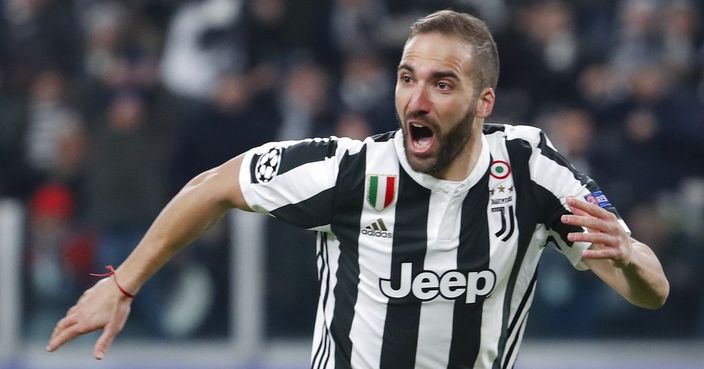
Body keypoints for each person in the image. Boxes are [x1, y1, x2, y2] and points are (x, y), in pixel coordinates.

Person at [47, 10, 669, 369]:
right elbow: (213, 186)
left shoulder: (531, 166)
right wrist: (123, 283)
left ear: (485, 102)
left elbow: (648, 291)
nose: (416, 100)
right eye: (406, 78)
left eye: (442, 84)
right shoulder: (348, 172)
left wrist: (631, 257)